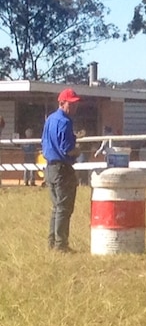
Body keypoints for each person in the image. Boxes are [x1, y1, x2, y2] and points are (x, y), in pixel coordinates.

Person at [41, 87, 82, 252]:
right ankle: (61, 245)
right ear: (61, 103)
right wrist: (78, 149)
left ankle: (52, 243)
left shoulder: (50, 119)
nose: (73, 107)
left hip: (50, 168)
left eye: (75, 104)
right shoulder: (65, 122)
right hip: (62, 169)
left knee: (56, 207)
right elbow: (68, 149)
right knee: (64, 208)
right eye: (70, 104)